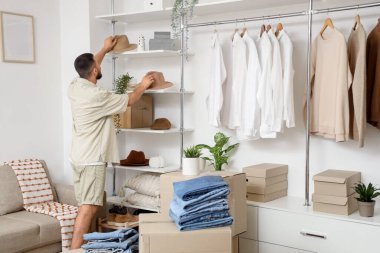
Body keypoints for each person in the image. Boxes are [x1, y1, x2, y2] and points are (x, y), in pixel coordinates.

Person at [68, 36, 154, 249]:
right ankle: (74, 249)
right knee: (88, 208)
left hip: (78, 157)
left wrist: (104, 49)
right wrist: (143, 85)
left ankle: (85, 247)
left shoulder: (75, 86)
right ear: (95, 71)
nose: (99, 64)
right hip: (92, 160)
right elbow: (131, 100)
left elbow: (91, 63)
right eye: (98, 64)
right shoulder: (98, 96)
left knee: (87, 206)